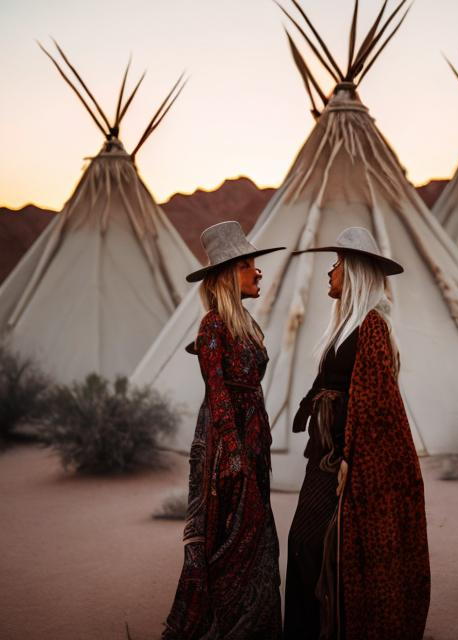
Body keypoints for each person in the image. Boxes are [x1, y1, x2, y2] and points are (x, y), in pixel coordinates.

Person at [283, 227, 430, 640]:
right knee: (307, 543)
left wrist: (351, 458)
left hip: (347, 461)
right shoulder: (345, 326)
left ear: (355, 274)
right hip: (325, 456)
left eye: (338, 264)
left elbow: (378, 402)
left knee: (322, 545)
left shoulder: (372, 327)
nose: (331, 270)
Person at [162, 221, 285, 640]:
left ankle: (257, 626)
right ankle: (224, 628)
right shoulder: (213, 325)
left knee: (257, 536)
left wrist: (255, 443)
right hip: (225, 441)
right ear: (230, 273)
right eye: (250, 264)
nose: (258, 272)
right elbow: (217, 391)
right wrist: (232, 453)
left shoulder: (244, 323)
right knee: (231, 536)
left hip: (252, 438)